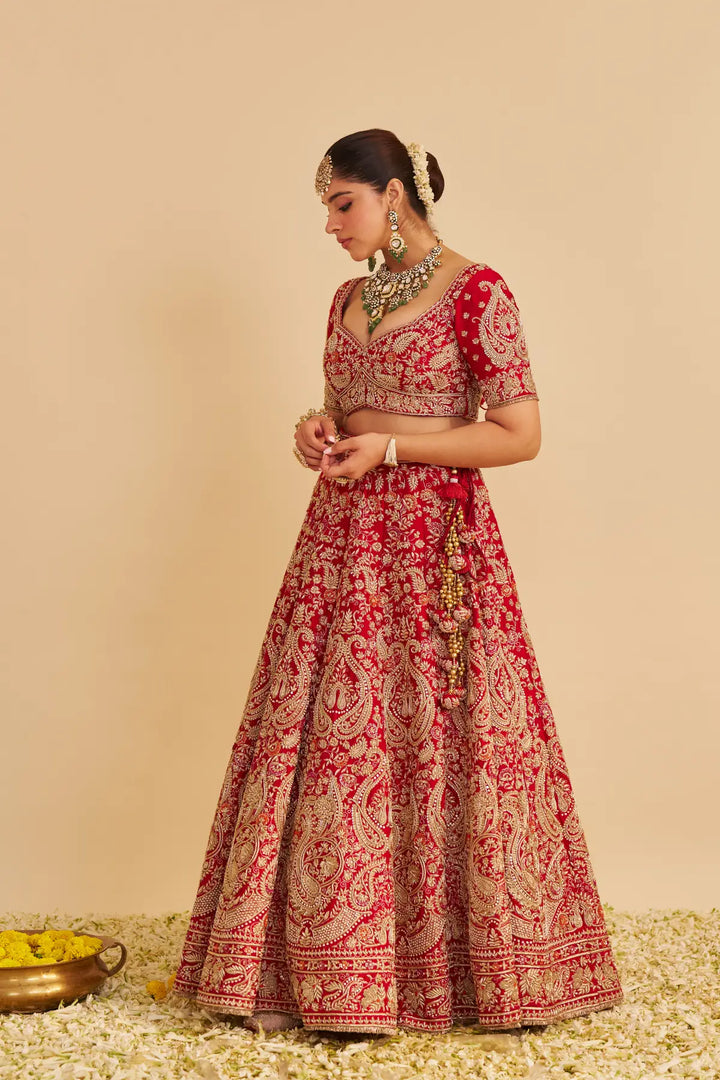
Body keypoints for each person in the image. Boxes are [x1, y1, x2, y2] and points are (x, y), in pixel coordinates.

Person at [171, 129, 624, 1036]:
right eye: (327, 207)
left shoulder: (478, 293)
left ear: (396, 196)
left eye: (343, 203)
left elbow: (519, 433)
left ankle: (479, 975)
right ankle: (333, 973)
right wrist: (317, 431)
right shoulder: (345, 298)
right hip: (341, 542)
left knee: (443, 737)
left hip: (437, 549)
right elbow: (344, 413)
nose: (332, 225)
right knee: (339, 741)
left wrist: (394, 447)